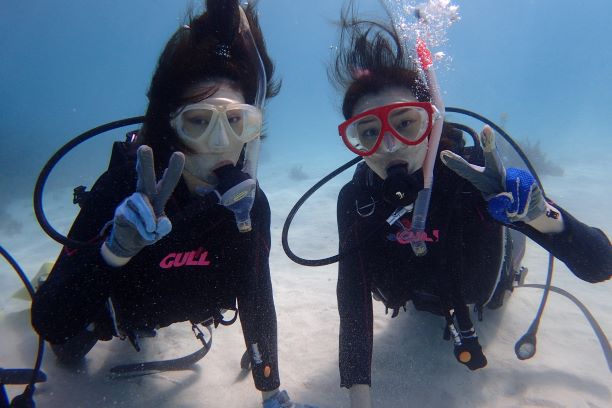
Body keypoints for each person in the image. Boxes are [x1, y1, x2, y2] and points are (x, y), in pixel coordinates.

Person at [31, 1, 315, 407]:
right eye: (199, 121)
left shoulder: (248, 206)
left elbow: (256, 296)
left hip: (179, 306)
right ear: (170, 127)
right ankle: (53, 271)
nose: (219, 143)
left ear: (253, 130)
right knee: (69, 354)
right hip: (117, 313)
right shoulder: (124, 189)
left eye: (236, 121)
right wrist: (113, 252)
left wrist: (271, 392)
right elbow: (50, 322)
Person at [328, 7, 612, 408]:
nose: (389, 145)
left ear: (432, 122)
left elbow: (601, 265)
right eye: (369, 132)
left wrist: (540, 216)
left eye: (406, 123)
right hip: (415, 299)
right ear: (354, 141)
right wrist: (360, 399)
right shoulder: (358, 199)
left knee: (510, 239)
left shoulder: (476, 176)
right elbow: (353, 302)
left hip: (482, 293)